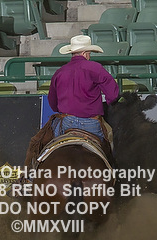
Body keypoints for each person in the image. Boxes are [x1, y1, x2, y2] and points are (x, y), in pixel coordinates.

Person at [23, 35, 119, 168]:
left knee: (37, 142)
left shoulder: (60, 72)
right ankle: (115, 173)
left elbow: (53, 103)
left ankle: (29, 174)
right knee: (112, 142)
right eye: (89, 53)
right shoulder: (95, 68)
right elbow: (113, 95)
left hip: (67, 122)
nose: (89, 56)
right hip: (92, 124)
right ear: (85, 53)